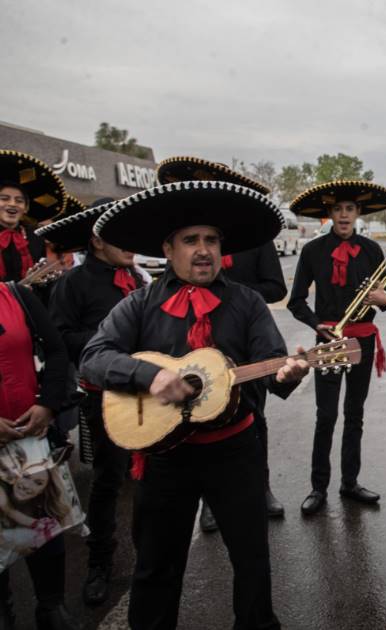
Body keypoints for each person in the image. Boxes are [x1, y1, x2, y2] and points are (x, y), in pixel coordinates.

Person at [80, 180, 310, 629]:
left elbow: (272, 364)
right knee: (156, 567)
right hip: (165, 457)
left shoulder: (246, 302)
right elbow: (93, 358)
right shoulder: (140, 304)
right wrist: (151, 375)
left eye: (211, 240)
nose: (203, 250)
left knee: (252, 561)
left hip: (235, 452)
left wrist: (289, 372)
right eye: (191, 240)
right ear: (168, 248)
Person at [155, 156, 288, 531]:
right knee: (188, 422)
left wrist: (233, 296)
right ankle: (207, 504)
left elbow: (276, 287)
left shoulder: (254, 244)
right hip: (189, 352)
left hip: (243, 347)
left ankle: (259, 488)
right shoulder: (185, 248)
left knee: (251, 422)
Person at [37, 197, 144, 607]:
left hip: (145, 393)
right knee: (108, 481)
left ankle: (148, 557)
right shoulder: (73, 284)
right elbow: (60, 340)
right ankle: (100, 562)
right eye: (121, 233)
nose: (132, 242)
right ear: (97, 239)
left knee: (147, 479)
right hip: (104, 399)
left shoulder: (136, 277)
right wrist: (114, 345)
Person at [287, 180, 386, 513]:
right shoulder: (313, 251)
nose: (344, 215)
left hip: (362, 340)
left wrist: (384, 299)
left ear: (358, 213)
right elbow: (297, 301)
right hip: (330, 339)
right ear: (330, 214)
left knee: (354, 415)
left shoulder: (372, 250)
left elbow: (385, 298)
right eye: (338, 210)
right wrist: (316, 325)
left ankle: (350, 483)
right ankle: (318, 488)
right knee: (326, 416)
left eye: (349, 209)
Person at [0, 268, 76, 629]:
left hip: (30, 438)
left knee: (44, 527)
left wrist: (47, 404)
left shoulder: (17, 296)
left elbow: (57, 352)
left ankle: (51, 608)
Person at [0, 151, 66, 284]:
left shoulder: (35, 238)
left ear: (26, 208)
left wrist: (41, 281)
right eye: (4, 199)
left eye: (19, 201)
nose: (12, 204)